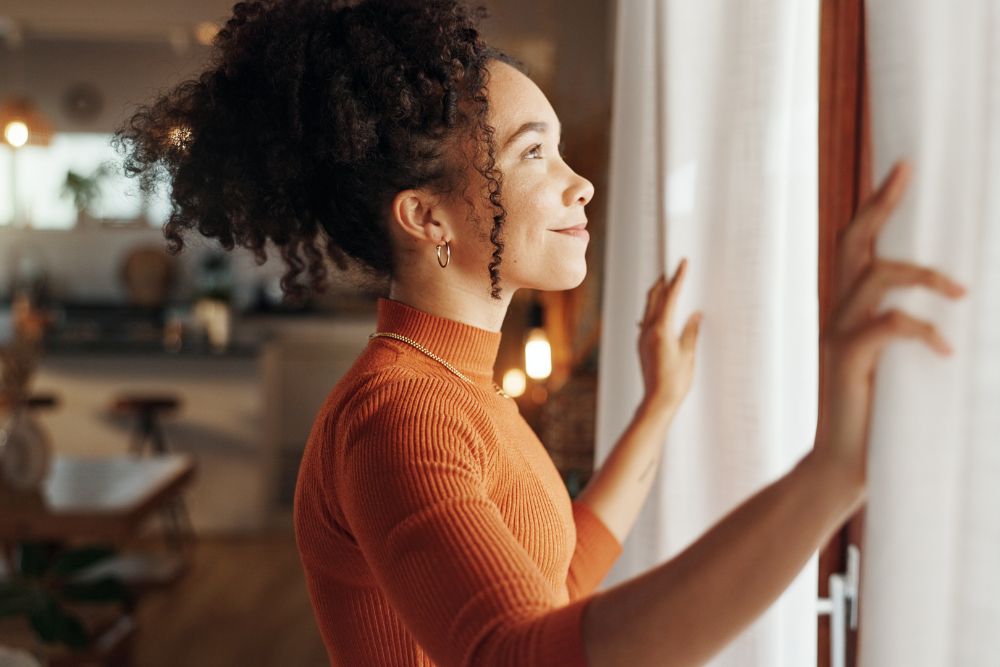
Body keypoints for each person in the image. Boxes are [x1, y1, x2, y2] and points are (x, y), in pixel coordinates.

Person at [114, 0, 969, 664]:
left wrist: (662, 404)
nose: (581, 185)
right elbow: (519, 654)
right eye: (533, 155)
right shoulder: (399, 416)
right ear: (425, 216)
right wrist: (830, 475)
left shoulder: (456, 385)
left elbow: (556, 582)